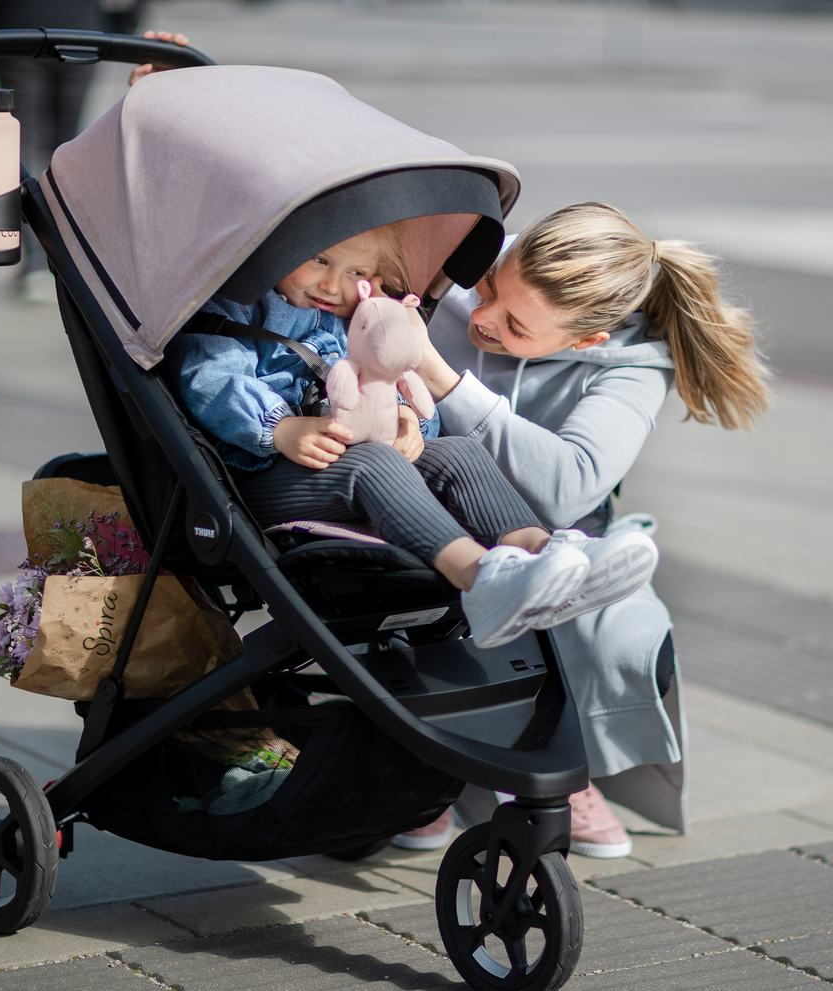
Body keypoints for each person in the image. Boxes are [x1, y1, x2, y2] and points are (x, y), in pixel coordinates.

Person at [402, 201, 771, 855]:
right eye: (490, 285)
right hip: (435, 505)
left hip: (557, 531)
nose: (481, 315)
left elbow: (567, 486)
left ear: (585, 342)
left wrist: (443, 379)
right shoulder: (453, 266)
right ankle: (422, 765)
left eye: (514, 324)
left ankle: (568, 761)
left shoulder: (633, 363)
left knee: (617, 630)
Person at [170, 224, 659, 651]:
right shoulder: (237, 305)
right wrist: (277, 427)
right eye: (319, 259)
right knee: (375, 466)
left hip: (338, 468)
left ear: (376, 280)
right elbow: (211, 378)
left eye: (355, 272)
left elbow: (389, 378)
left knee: (458, 452)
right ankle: (480, 579)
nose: (331, 284)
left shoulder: (353, 318)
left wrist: (409, 422)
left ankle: (540, 551)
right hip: (257, 476)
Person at [0, 3, 187, 301]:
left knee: (22, 143)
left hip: (19, 30)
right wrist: (124, 21)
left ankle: (35, 264)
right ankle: (64, 260)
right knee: (66, 149)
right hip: (80, 34)